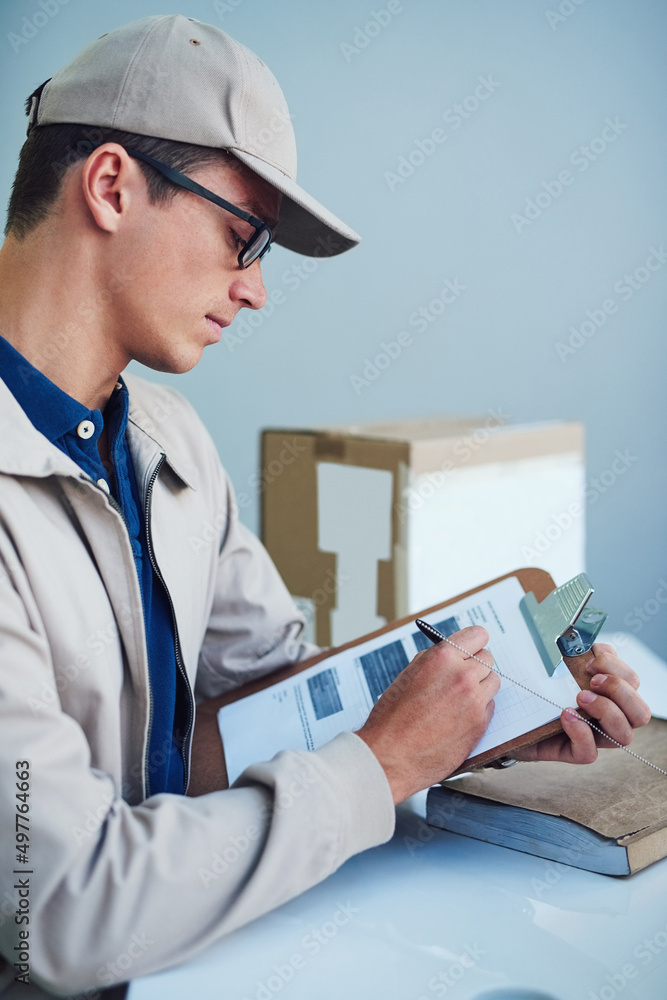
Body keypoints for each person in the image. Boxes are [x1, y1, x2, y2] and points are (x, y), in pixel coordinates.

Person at [0, 14, 650, 999]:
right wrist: (377, 769)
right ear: (110, 185)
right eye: (242, 235)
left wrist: (484, 715)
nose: (255, 291)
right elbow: (61, 906)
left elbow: (259, 711)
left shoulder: (168, 442)